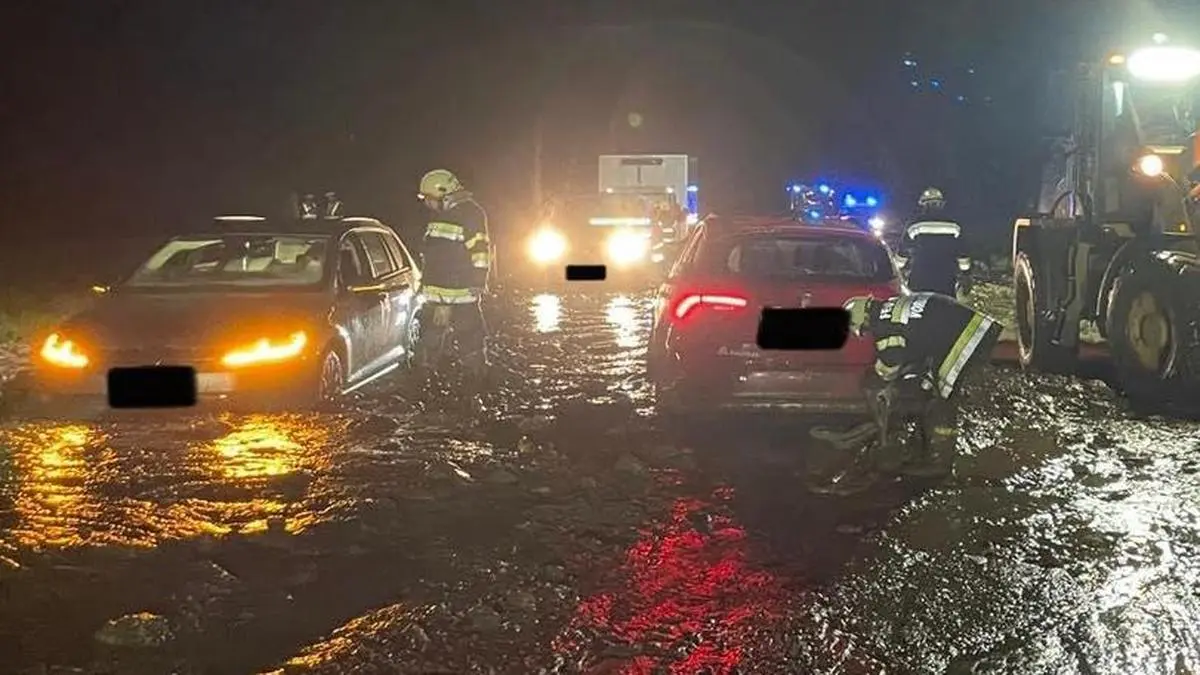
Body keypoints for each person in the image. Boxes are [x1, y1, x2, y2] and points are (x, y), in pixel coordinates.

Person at [808, 292, 1003, 495]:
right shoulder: (892, 306)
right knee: (931, 388)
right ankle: (931, 444)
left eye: (864, 329)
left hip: (966, 338)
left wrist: (876, 376)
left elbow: (890, 366)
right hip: (974, 327)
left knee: (941, 398)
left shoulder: (885, 328)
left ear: (864, 318)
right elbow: (917, 337)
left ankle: (939, 463)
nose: (867, 332)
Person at [414, 168, 492, 400]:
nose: (426, 203)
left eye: (429, 198)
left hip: (461, 293)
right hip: (436, 294)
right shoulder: (439, 215)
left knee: (470, 341)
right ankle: (426, 388)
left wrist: (478, 280)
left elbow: (480, 251)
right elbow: (433, 255)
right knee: (429, 342)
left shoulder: (471, 214)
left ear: (444, 195)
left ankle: (475, 387)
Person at [898, 187, 972, 297]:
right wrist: (966, 274)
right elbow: (963, 254)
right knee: (945, 305)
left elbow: (903, 252)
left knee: (918, 305)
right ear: (941, 204)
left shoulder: (915, 224)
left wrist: (897, 270)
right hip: (946, 277)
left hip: (920, 276)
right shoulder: (954, 225)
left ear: (924, 205)